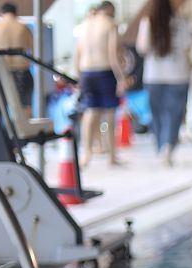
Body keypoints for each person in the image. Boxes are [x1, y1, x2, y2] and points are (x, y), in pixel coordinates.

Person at [136, 0, 192, 166]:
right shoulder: (181, 22)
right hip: (178, 75)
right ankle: (168, 145)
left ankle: (161, 146)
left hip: (154, 75)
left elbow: (142, 48)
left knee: (157, 114)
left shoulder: (148, 22)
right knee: (174, 114)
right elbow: (187, 47)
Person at [75, 1, 127, 167]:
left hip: (86, 71)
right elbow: (113, 55)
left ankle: (86, 154)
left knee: (90, 112)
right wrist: (121, 78)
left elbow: (77, 52)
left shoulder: (84, 24)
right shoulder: (110, 24)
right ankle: (112, 156)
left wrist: (78, 77)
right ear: (110, 10)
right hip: (105, 71)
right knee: (110, 113)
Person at [0, 3, 34, 118]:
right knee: (24, 109)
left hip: (1, 73)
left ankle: (1, 135)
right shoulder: (23, 28)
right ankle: (24, 134)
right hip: (22, 72)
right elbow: (33, 50)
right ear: (16, 13)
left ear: (1, 14)